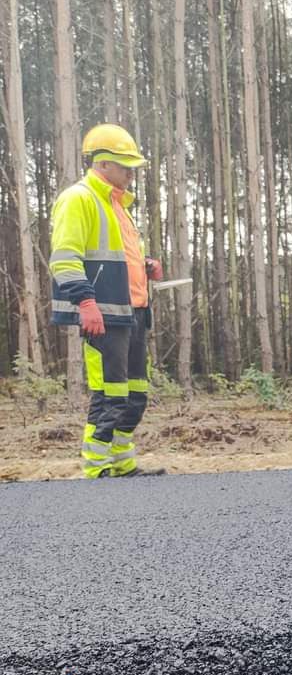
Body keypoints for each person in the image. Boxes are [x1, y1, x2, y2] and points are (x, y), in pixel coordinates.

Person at [49, 123, 165, 478]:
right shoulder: (78, 198)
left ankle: (122, 462)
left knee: (135, 393)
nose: (131, 174)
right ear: (102, 164)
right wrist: (85, 303)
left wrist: (145, 267)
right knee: (110, 393)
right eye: (125, 166)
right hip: (104, 315)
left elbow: (115, 257)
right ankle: (97, 468)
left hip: (132, 312)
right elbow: (64, 259)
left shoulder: (118, 206)